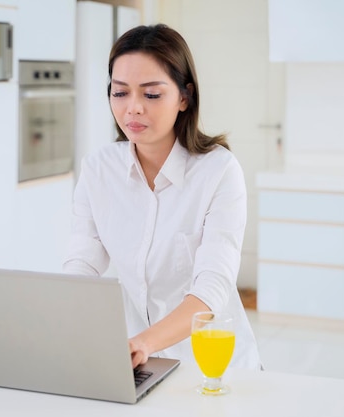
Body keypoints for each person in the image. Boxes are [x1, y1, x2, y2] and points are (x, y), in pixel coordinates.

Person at [63, 24, 261, 370]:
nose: (133, 108)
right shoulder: (98, 169)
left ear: (184, 97)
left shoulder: (218, 171)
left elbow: (212, 287)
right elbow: (84, 261)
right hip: (140, 364)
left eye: (151, 95)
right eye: (120, 93)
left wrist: (144, 343)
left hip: (211, 366)